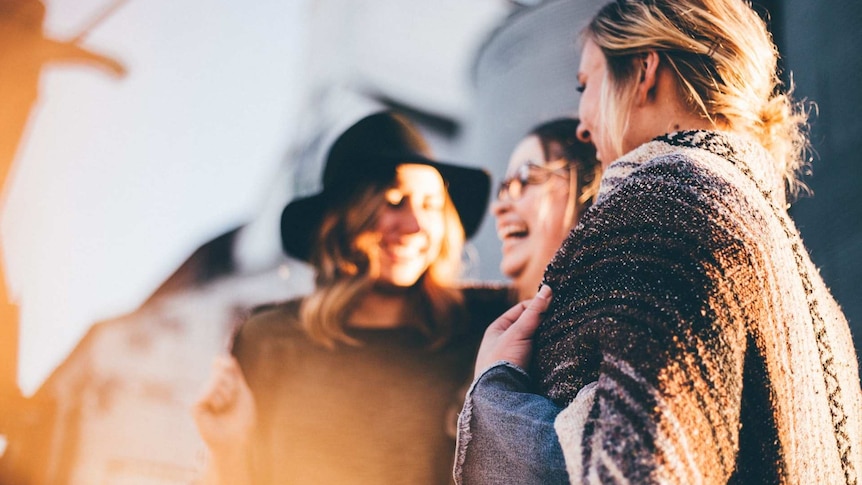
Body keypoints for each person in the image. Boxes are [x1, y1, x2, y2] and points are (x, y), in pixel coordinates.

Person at [456, 1, 862, 484]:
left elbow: (626, 470)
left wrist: (494, 390)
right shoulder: (811, 292)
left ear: (645, 70)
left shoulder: (662, 205)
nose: (583, 126)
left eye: (586, 85)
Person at [192, 111, 512, 484]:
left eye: (430, 205)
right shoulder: (268, 340)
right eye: (395, 201)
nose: (415, 226)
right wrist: (225, 446)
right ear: (343, 219)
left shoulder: (484, 326)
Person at [492, 118, 601, 301]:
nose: (498, 207)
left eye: (525, 177)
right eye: (504, 187)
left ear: (587, 190)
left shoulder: (607, 320)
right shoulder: (463, 321)